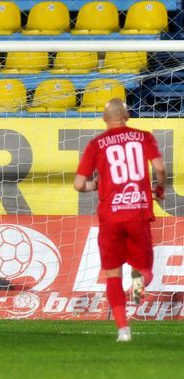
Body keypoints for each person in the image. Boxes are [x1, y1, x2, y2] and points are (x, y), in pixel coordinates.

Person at [74, 98, 165, 342]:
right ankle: (136, 292)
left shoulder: (96, 144)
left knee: (112, 274)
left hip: (110, 217)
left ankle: (123, 331)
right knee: (143, 268)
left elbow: (79, 184)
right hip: (138, 212)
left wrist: (95, 185)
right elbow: (160, 168)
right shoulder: (143, 136)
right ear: (127, 116)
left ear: (105, 119)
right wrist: (160, 188)